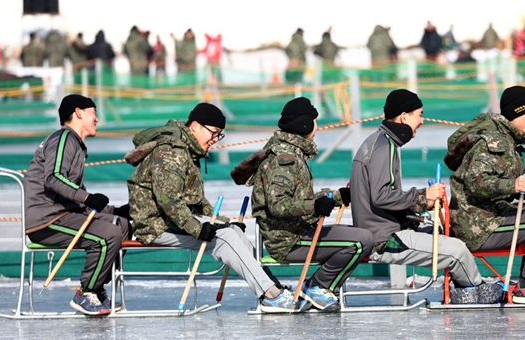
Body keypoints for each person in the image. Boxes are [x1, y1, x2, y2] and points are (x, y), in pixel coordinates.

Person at [125, 102, 299, 313]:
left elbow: (194, 200)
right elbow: (169, 200)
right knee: (225, 239)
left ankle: (275, 287)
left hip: (172, 222)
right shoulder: (172, 151)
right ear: (195, 126)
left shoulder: (187, 150)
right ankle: (270, 295)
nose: (215, 140)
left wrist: (224, 222)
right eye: (214, 133)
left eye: (219, 135)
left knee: (232, 231)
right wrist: (199, 229)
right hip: (155, 226)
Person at [350, 89, 501, 304]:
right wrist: (422, 196)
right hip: (383, 239)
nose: (421, 121)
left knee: (446, 232)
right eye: (419, 114)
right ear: (404, 116)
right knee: (457, 250)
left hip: (382, 228)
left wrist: (420, 206)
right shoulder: (385, 147)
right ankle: (475, 290)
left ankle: (464, 285)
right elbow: (381, 196)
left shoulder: (377, 141)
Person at [231, 97, 373, 312]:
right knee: (362, 240)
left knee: (359, 235)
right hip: (289, 241)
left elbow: (299, 197)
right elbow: (277, 205)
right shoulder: (284, 159)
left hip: (300, 231)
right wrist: (314, 207)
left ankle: (318, 285)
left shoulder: (292, 154)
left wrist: (335, 197)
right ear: (305, 124)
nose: (318, 127)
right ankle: (318, 286)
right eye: (315, 121)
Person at [444, 85, 525, 306]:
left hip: (491, 217)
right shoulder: (494, 141)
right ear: (517, 112)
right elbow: (476, 182)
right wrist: (513, 184)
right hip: (479, 226)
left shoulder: (506, 139)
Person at [22, 94, 131, 316]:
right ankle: (85, 292)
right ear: (79, 113)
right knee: (108, 234)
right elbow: (53, 177)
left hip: (64, 215)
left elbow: (73, 196)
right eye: (94, 112)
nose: (97, 119)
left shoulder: (75, 145)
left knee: (121, 224)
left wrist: (114, 211)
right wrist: (88, 198)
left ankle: (97, 287)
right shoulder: (63, 138)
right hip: (47, 221)